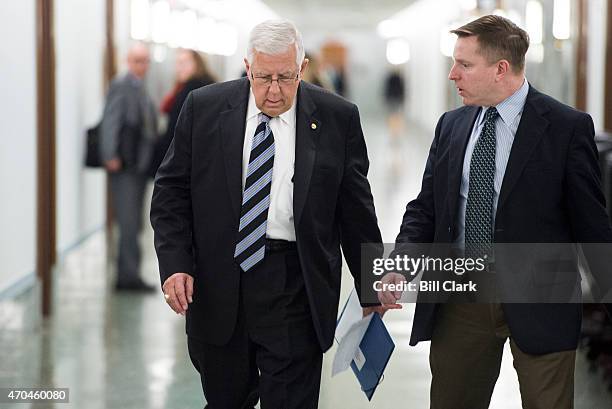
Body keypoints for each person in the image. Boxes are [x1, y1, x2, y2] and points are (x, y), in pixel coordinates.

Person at [150, 19, 395, 408]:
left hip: (294, 283)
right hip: (219, 281)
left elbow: (355, 209)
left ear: (302, 68)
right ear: (248, 67)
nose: (275, 90)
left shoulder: (337, 117)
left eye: (286, 77)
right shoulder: (205, 108)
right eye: (264, 77)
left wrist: (371, 281)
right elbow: (171, 192)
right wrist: (176, 264)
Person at [378, 15, 612, 409]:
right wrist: (399, 264)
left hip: (542, 297)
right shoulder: (451, 125)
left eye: (465, 65)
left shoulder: (566, 128)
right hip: (461, 294)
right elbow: (425, 209)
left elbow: (592, 225)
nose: (453, 74)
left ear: (501, 69)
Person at [100, 43, 158, 292]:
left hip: (138, 166)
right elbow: (110, 120)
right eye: (136, 60)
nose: (141, 65)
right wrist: (110, 153)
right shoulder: (122, 85)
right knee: (128, 222)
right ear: (128, 61)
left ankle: (130, 273)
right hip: (124, 166)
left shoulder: (140, 87)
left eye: (145, 61)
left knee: (135, 222)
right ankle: (127, 277)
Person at [151, 49, 217, 176]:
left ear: (197, 64)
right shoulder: (187, 87)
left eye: (184, 63)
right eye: (177, 63)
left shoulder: (193, 89)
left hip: (188, 159)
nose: (179, 68)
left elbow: (177, 129)